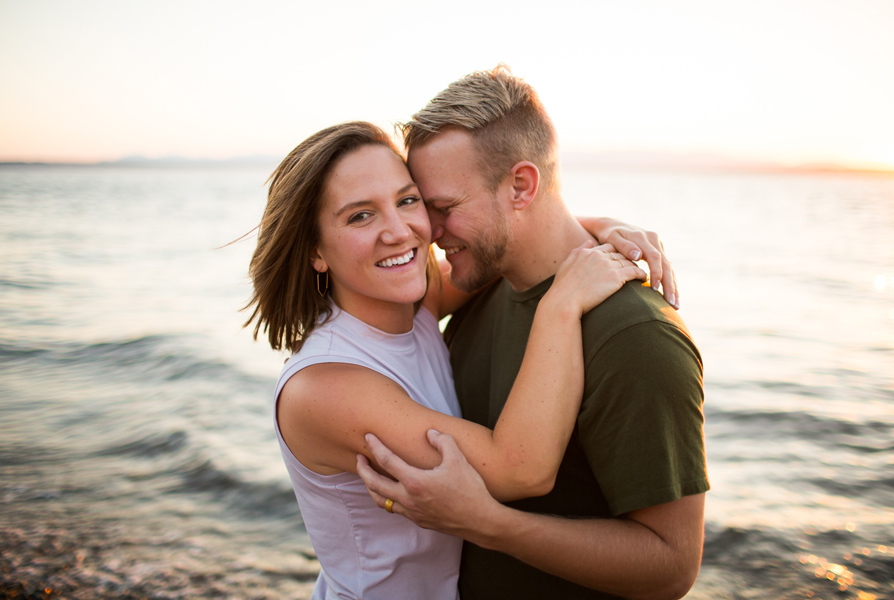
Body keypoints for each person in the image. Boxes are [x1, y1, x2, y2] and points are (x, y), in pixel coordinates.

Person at [243, 120, 668, 599]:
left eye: (407, 200)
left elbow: (515, 239)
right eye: (360, 216)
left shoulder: (412, 303)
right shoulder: (327, 388)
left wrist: (602, 228)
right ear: (316, 251)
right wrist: (561, 306)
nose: (399, 231)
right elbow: (520, 469)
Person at [357, 66, 709, 600]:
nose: (427, 231)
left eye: (444, 208)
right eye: (423, 208)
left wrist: (489, 523)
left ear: (522, 185)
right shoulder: (481, 285)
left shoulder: (634, 336)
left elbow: (670, 567)